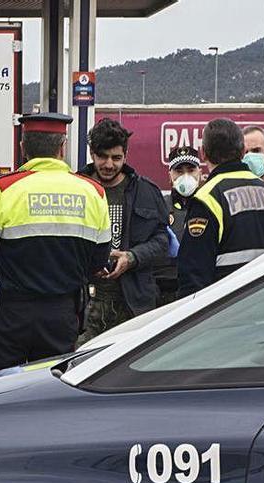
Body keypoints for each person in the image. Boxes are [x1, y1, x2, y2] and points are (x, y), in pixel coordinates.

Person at [0, 113, 110, 374]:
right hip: (62, 315)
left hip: (9, 315)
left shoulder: (2, 189)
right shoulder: (94, 192)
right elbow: (98, 261)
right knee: (51, 393)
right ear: (63, 148)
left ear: (23, 148)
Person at [79, 118, 168, 344]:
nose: (109, 164)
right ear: (92, 154)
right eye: (103, 157)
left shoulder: (145, 190)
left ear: (126, 156)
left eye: (116, 158)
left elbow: (162, 241)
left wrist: (132, 257)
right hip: (84, 306)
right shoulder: (76, 188)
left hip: (132, 305)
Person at [177, 119, 264, 297]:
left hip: (226, 314)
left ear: (203, 153)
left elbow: (193, 276)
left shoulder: (207, 198)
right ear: (242, 151)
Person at [153, 146, 203, 306]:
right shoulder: (160, 206)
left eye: (191, 170)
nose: (185, 176)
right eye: (179, 171)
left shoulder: (208, 204)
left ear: (200, 173)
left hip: (199, 287)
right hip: (165, 290)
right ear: (170, 176)